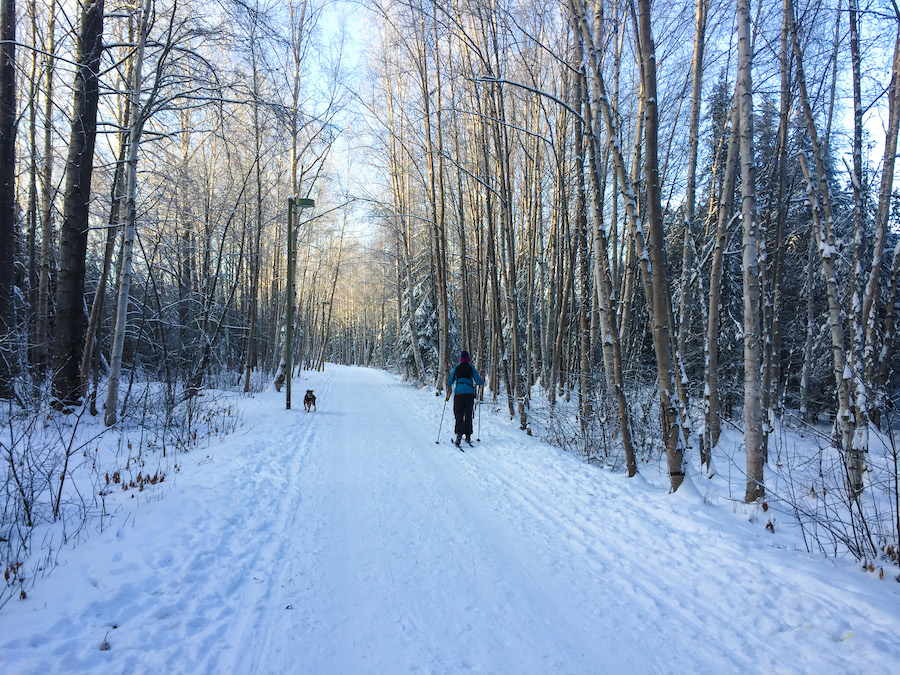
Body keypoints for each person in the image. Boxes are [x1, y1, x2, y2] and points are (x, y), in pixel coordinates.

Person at [446, 350, 483, 445]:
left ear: (461, 359)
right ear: (468, 359)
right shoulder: (471, 368)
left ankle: (459, 434)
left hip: (458, 394)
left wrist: (450, 384)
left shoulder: (457, 368)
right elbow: (479, 381)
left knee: (459, 414)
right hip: (469, 395)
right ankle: (468, 435)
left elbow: (449, 381)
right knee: (468, 414)